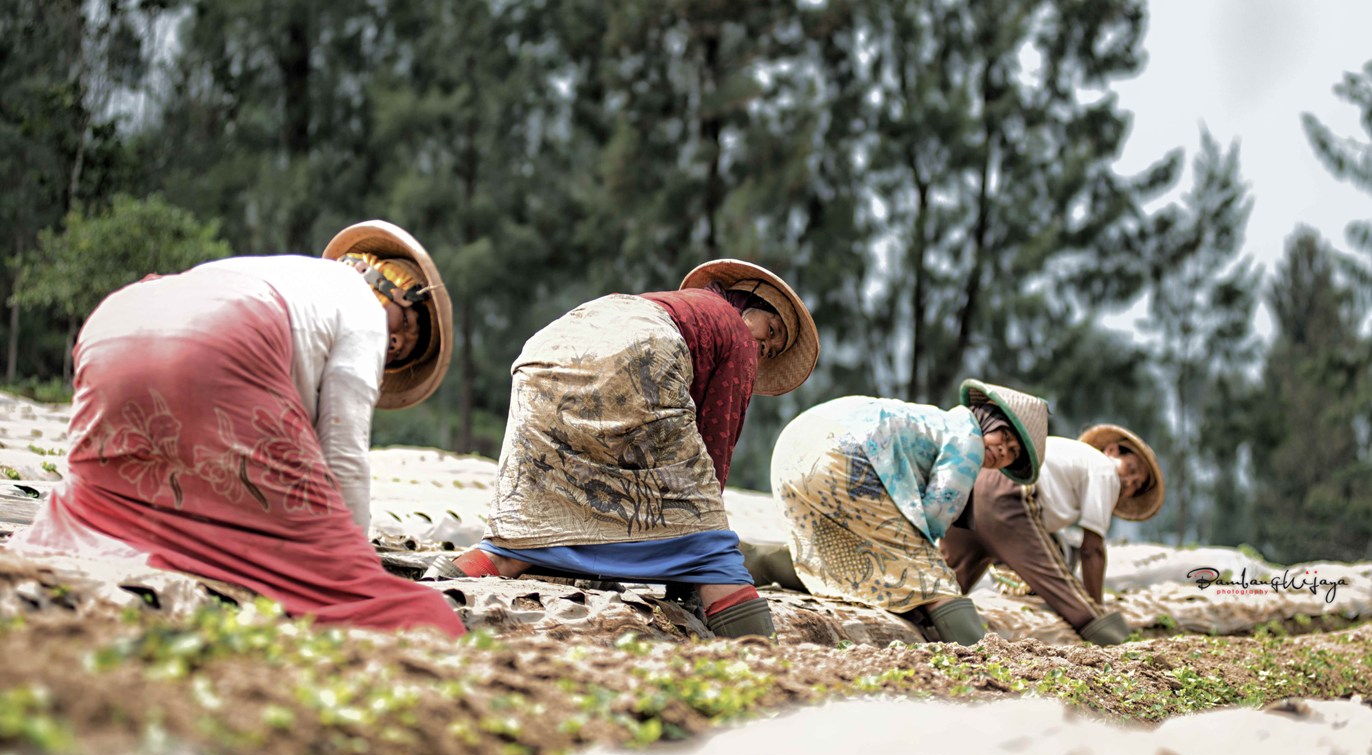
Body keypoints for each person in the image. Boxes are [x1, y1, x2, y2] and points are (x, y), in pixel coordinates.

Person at [7, 220, 467, 637]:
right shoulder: (363, 312)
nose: (394, 344)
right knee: (381, 601)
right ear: (389, 289)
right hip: (219, 342)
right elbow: (343, 454)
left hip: (114, 326)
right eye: (404, 328)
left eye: (401, 350)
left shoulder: (279, 272)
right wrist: (351, 559)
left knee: (109, 510)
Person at [423, 259, 819, 639]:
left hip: (547, 354)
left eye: (772, 348)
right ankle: (763, 657)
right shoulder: (735, 332)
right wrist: (701, 526)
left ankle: (429, 598)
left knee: (520, 538)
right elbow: (718, 432)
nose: (765, 344)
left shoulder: (673, 307)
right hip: (640, 353)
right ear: (748, 301)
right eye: (771, 329)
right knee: (713, 558)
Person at [767, 380, 1048, 645]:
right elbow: (938, 510)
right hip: (847, 453)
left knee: (823, 550)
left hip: (798, 443)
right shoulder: (969, 440)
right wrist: (927, 560)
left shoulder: (942, 422)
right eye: (1004, 436)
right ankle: (981, 651)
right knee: (932, 578)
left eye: (1013, 452)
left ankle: (756, 563)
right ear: (989, 419)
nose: (1003, 450)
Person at [940, 424, 1164, 645]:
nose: (1129, 481)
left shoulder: (1075, 459)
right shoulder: (1106, 470)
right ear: (1112, 450)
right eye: (1131, 469)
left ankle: (930, 631)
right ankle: (1110, 638)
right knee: (1062, 589)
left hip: (975, 484)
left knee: (946, 583)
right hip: (1009, 495)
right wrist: (1096, 608)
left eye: (1136, 485)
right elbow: (1092, 549)